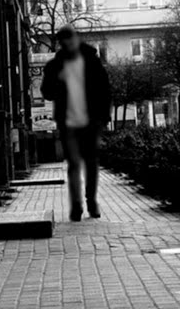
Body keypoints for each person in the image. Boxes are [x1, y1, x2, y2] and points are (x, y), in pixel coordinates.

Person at [41, 25, 111, 221]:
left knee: (91, 164)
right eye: (65, 43)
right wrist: (57, 80)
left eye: (71, 41)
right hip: (68, 124)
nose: (69, 45)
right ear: (61, 44)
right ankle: (77, 206)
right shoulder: (55, 66)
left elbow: (104, 90)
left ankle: (92, 202)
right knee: (73, 165)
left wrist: (104, 117)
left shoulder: (92, 61)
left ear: (76, 40)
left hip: (91, 122)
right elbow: (47, 92)